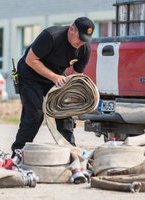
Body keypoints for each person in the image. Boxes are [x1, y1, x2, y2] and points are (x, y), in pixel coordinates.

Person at [11, 17, 95, 156]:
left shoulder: (84, 49)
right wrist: (54, 77)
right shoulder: (51, 36)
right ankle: (19, 152)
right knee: (35, 114)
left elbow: (76, 76)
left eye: (85, 39)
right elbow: (30, 60)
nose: (81, 42)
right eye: (80, 38)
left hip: (56, 76)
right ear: (71, 29)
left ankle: (70, 151)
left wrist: (71, 96)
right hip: (30, 74)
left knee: (64, 110)